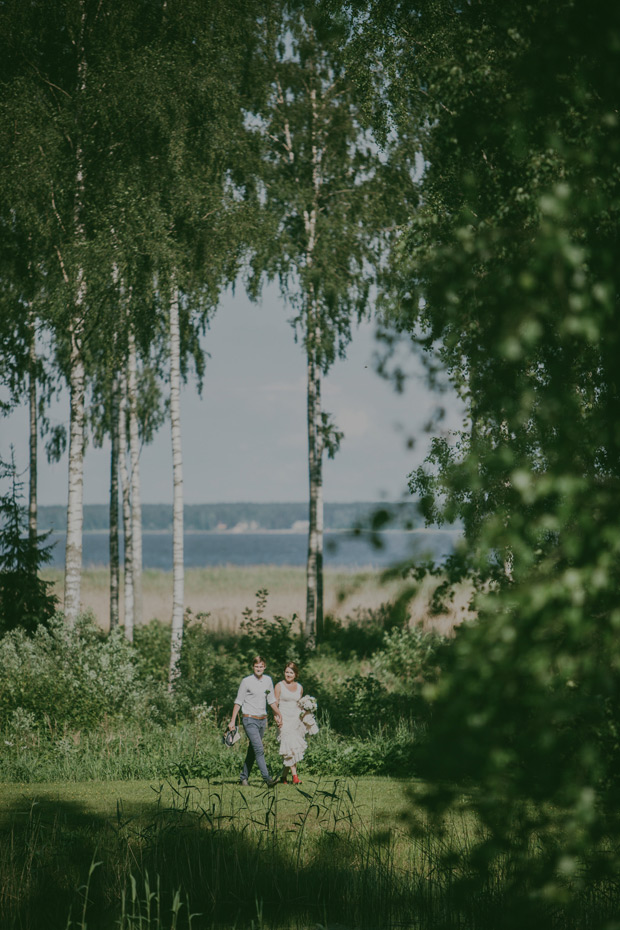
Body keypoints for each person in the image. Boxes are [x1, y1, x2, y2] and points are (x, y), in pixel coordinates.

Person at [228, 656, 282, 787]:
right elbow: (238, 701)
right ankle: (267, 779)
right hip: (249, 719)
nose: (259, 668)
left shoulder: (268, 680)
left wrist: (279, 714)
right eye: (256, 666)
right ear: (253, 667)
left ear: (264, 667)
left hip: (262, 720)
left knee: (253, 750)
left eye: (261, 666)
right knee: (259, 749)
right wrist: (232, 721)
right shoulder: (246, 681)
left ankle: (243, 777)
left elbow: (271, 700)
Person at [274, 661, 308, 785]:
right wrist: (276, 718)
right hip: (284, 720)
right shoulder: (279, 686)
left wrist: (307, 711)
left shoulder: (299, 687)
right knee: (289, 746)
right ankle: (295, 776)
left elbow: (300, 704)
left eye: (291, 672)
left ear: (295, 674)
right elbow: (275, 704)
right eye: (286, 672)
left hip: (295, 720)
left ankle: (284, 777)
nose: (288, 674)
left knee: (293, 749)